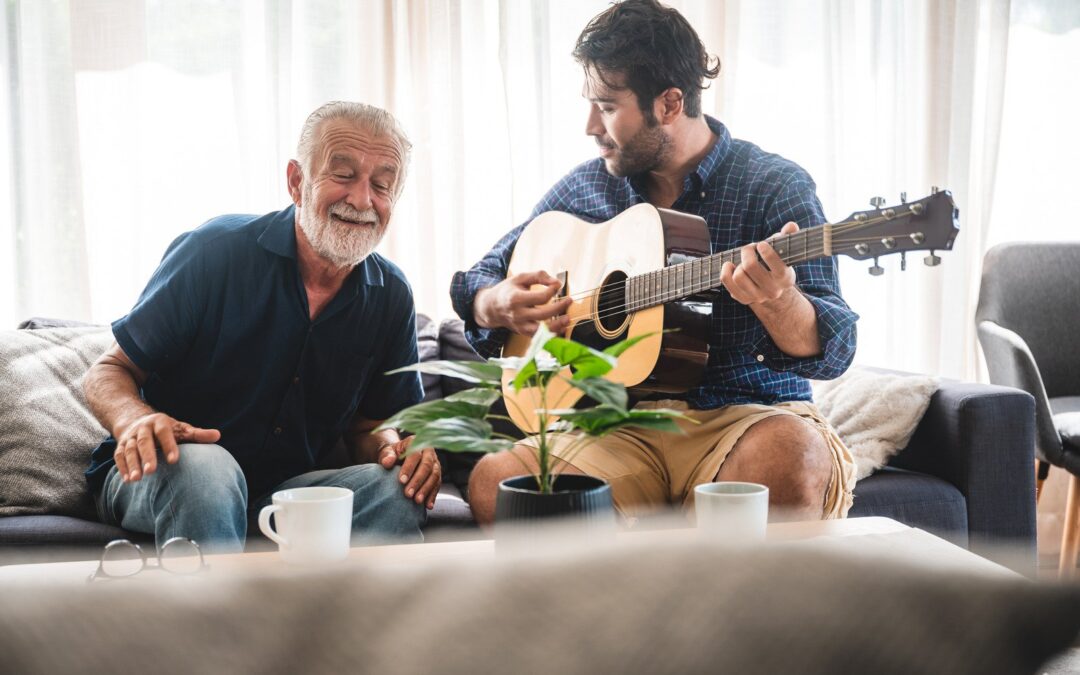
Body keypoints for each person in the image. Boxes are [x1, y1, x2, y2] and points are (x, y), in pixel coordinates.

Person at [451, 0, 859, 526]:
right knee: (496, 483)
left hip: (745, 418)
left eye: (606, 106)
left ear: (669, 103)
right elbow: (478, 280)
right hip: (616, 428)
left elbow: (833, 351)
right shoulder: (585, 188)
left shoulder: (774, 186)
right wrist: (496, 304)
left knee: (791, 455)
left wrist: (780, 301)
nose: (589, 125)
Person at [83, 101, 441, 554]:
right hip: (169, 473)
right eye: (344, 175)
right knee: (209, 471)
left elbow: (370, 426)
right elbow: (107, 371)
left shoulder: (391, 294)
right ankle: (223, 625)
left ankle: (332, 626)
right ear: (296, 181)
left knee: (395, 489)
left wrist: (398, 452)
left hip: (287, 492)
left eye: (382, 184)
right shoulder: (215, 252)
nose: (361, 199)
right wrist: (135, 419)